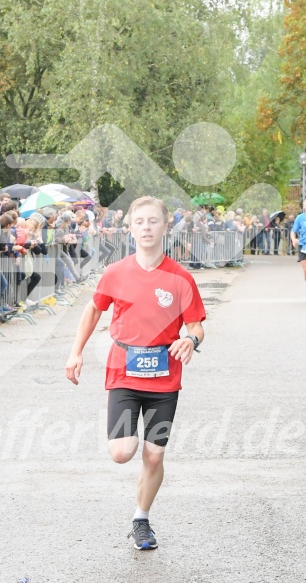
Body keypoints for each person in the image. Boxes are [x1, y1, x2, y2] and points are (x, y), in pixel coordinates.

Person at [65, 196, 205, 551]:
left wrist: (190, 339)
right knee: (122, 452)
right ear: (130, 228)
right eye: (139, 221)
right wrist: (75, 351)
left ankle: (141, 519)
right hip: (124, 373)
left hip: (165, 377)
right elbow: (92, 311)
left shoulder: (180, 277)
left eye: (153, 221)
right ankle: (137, 495)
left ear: (164, 227)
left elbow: (197, 325)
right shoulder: (116, 273)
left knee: (154, 454)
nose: (146, 227)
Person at [290, 200, 306, 283]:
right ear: (304, 207)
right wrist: (293, 239)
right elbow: (293, 231)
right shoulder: (300, 217)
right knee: (305, 270)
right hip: (303, 246)